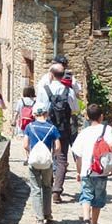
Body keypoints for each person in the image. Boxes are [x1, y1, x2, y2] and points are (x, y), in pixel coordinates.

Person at [35, 64, 78, 203]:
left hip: (46, 128)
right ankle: (57, 190)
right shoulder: (68, 91)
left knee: (46, 155)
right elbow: (75, 109)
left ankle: (47, 184)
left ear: (51, 75)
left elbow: (39, 109)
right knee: (62, 159)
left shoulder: (43, 90)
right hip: (63, 129)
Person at [73, 104, 112, 224]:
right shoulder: (107, 129)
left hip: (86, 170)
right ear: (101, 116)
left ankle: (86, 221)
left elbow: (77, 155)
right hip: (101, 170)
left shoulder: (83, 133)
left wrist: (79, 171)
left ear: (87, 117)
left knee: (86, 196)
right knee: (98, 198)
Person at [23, 106, 61, 224]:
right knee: (47, 187)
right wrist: (52, 155)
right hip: (46, 163)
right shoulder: (52, 128)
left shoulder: (30, 127)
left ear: (34, 114)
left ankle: (39, 218)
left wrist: (30, 154)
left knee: (35, 189)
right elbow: (58, 147)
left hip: (34, 162)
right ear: (46, 113)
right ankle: (47, 214)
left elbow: (25, 145)